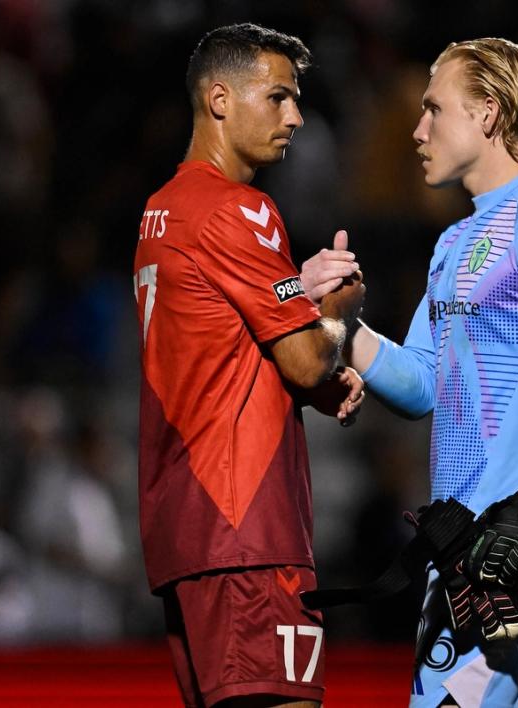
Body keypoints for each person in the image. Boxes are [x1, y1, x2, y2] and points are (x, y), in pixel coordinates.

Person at [304, 37, 518, 707]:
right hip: (464, 544)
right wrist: (341, 328)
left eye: (433, 110)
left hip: (513, 544)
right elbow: (422, 382)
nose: (416, 131)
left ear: (488, 113)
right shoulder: (455, 241)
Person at [134, 23, 365, 708]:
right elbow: (301, 360)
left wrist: (298, 312)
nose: (295, 116)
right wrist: (337, 314)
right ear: (220, 100)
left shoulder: (161, 212)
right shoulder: (242, 211)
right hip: (248, 532)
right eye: (278, 97)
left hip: (186, 532)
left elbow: (218, 347)